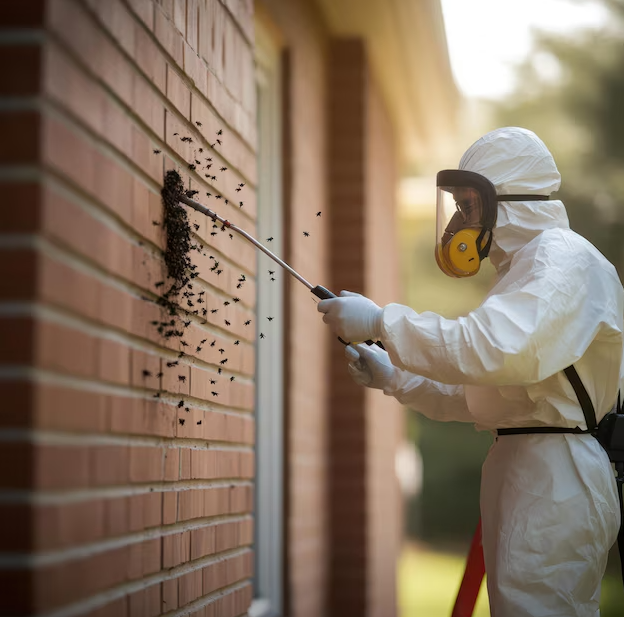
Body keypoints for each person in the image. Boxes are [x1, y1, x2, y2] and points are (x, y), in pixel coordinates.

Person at [318, 127, 623, 616]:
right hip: (530, 463)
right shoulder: (526, 269)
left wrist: (382, 320)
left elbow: (492, 349)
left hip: (557, 476)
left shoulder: (562, 260)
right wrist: (394, 376)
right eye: (458, 205)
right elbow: (481, 392)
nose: (460, 219)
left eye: (470, 205)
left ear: (509, 200)